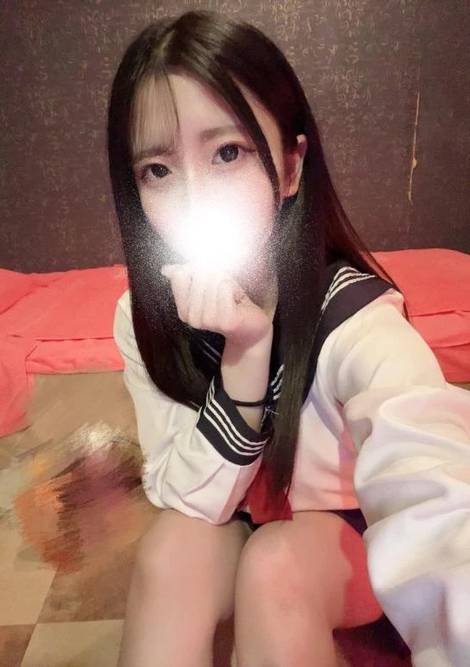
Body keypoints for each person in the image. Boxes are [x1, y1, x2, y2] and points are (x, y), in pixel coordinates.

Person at [107, 10, 470, 667]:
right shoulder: (143, 315)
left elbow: (433, 478)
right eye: (157, 170)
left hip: (339, 542)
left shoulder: (354, 320)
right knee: (169, 552)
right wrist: (243, 360)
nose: (193, 199)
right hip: (233, 523)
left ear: (292, 165)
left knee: (274, 570)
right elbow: (182, 495)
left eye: (227, 153)